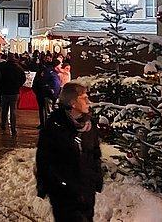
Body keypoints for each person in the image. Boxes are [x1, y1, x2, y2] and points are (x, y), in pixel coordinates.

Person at [35, 82, 102, 222]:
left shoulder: (90, 127)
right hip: (64, 194)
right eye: (83, 98)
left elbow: (95, 153)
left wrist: (96, 177)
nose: (89, 102)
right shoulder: (54, 127)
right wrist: (58, 184)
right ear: (72, 103)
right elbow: (44, 160)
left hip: (86, 190)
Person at [0, 54, 26, 135]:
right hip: (14, 91)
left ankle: (3, 124)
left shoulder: (3, 68)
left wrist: (1, 86)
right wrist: (18, 85)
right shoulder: (18, 68)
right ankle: (13, 128)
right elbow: (23, 79)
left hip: (5, 91)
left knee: (4, 109)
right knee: (13, 110)